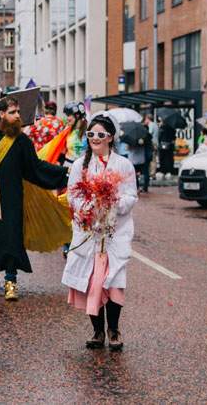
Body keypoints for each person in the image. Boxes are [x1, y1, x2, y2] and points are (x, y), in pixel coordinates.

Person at [0, 95, 68, 300]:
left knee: (11, 237)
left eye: (17, 112)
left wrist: (63, 174)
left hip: (13, 198)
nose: (17, 116)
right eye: (12, 112)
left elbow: (34, 168)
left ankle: (10, 281)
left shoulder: (22, 140)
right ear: (1, 114)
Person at [62, 111, 137, 351]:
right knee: (92, 282)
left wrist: (112, 204)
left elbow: (131, 196)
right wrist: (89, 208)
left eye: (100, 134)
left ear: (111, 138)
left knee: (113, 282)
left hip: (114, 234)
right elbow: (72, 195)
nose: (95, 138)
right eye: (91, 134)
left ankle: (114, 329)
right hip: (89, 235)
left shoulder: (124, 165)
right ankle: (97, 331)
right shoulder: (78, 166)